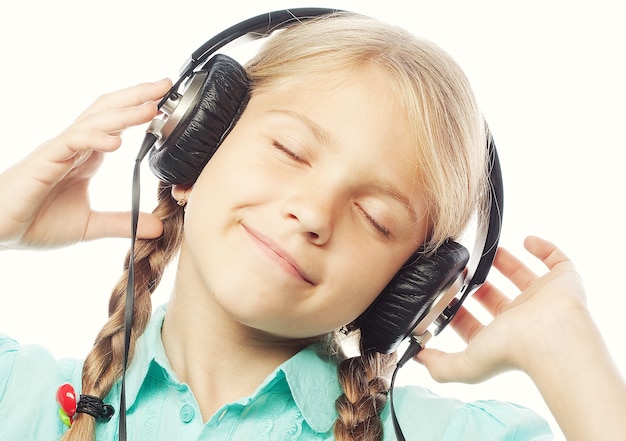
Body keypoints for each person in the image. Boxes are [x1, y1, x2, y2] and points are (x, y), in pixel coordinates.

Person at [0, 11, 624, 441]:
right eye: (291, 151)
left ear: (407, 290)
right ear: (196, 145)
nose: (314, 214)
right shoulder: (16, 392)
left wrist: (566, 349)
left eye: (376, 218)